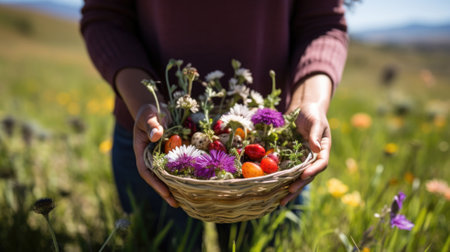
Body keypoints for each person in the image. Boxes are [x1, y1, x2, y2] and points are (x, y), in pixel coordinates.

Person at [81, 0, 348, 249]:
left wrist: (308, 102)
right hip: (150, 138)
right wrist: (143, 103)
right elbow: (106, 17)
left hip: (275, 162)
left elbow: (322, 23)